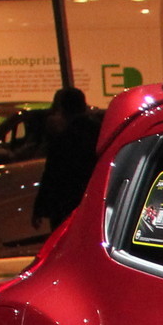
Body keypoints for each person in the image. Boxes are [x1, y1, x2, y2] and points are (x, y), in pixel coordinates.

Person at [32, 86, 104, 231]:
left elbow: (51, 175)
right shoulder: (99, 133)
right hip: (94, 202)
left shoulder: (63, 138)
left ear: (62, 109)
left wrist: (40, 209)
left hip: (66, 206)